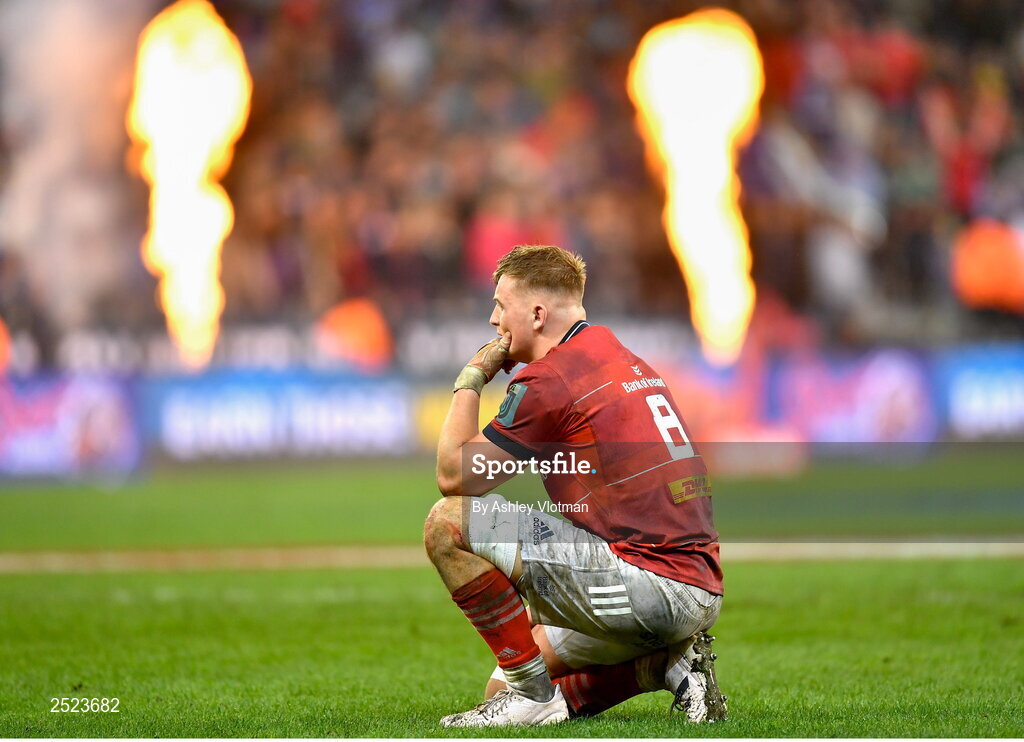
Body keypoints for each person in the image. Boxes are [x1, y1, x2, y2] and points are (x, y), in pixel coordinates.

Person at [425, 245, 725, 727]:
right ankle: (667, 668)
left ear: (537, 313)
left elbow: (454, 478)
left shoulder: (552, 377)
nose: (492, 319)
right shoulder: (620, 356)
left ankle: (533, 700)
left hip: (647, 581)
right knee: (501, 683)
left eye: (501, 305)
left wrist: (471, 378)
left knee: (448, 524)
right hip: (696, 584)